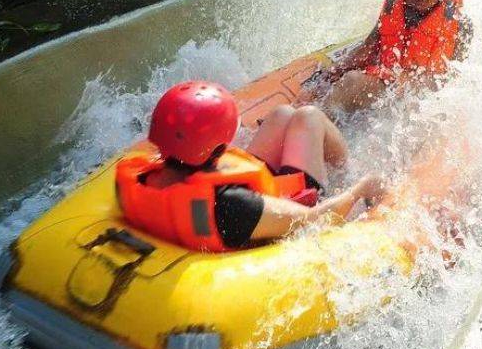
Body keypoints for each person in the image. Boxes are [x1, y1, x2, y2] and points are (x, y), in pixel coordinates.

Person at [115, 81, 383, 251]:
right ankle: (347, 172)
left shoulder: (138, 178)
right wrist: (360, 190)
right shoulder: (231, 205)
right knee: (309, 117)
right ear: (218, 149)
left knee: (282, 114)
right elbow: (315, 219)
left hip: (241, 202)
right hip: (291, 206)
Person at [304, 0, 473, 113]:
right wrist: (335, 70)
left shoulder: (461, 25)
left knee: (353, 81)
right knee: (347, 80)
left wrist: (409, 84)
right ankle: (314, 119)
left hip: (423, 93)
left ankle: (315, 124)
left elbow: (455, 77)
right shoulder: (395, 6)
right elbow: (367, 49)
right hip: (389, 80)